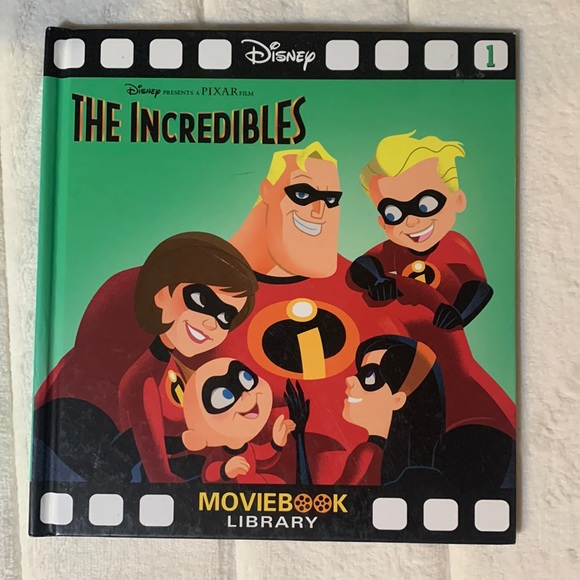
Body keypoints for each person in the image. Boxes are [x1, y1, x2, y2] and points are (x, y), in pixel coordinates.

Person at [117, 232, 258, 483]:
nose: (211, 323)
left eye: (225, 317)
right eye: (201, 300)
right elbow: (158, 473)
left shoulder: (179, 366)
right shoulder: (145, 379)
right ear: (162, 294)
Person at [352, 131, 493, 330]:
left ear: (458, 201)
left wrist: (458, 313)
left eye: (426, 205)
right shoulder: (394, 250)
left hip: (443, 327)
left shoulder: (454, 245)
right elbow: (363, 264)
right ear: (383, 223)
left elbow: (479, 287)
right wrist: (376, 281)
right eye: (393, 213)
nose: (411, 221)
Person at [181, 358, 295, 484]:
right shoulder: (220, 454)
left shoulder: (248, 447)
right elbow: (209, 474)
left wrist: (277, 442)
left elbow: (263, 456)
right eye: (222, 396)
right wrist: (226, 470)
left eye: (246, 378)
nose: (245, 394)